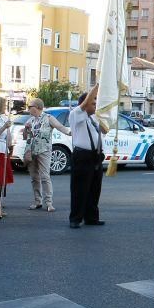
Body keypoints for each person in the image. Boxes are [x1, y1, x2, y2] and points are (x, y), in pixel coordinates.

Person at [68, 84, 108, 228]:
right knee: (80, 189)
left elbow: (105, 131)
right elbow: (86, 103)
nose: (95, 105)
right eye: (93, 103)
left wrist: (102, 115)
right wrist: (98, 85)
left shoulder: (93, 118)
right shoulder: (76, 114)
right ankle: (75, 218)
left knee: (94, 189)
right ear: (84, 105)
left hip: (95, 156)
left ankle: (91, 217)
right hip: (82, 156)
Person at [23, 98, 72, 212]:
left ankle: (49, 202)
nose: (29, 108)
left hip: (44, 150)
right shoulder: (30, 120)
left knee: (45, 176)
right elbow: (25, 137)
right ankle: (37, 201)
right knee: (34, 177)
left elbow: (60, 127)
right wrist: (26, 129)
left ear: (38, 107)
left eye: (31, 106)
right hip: (31, 151)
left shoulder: (48, 118)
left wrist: (70, 132)